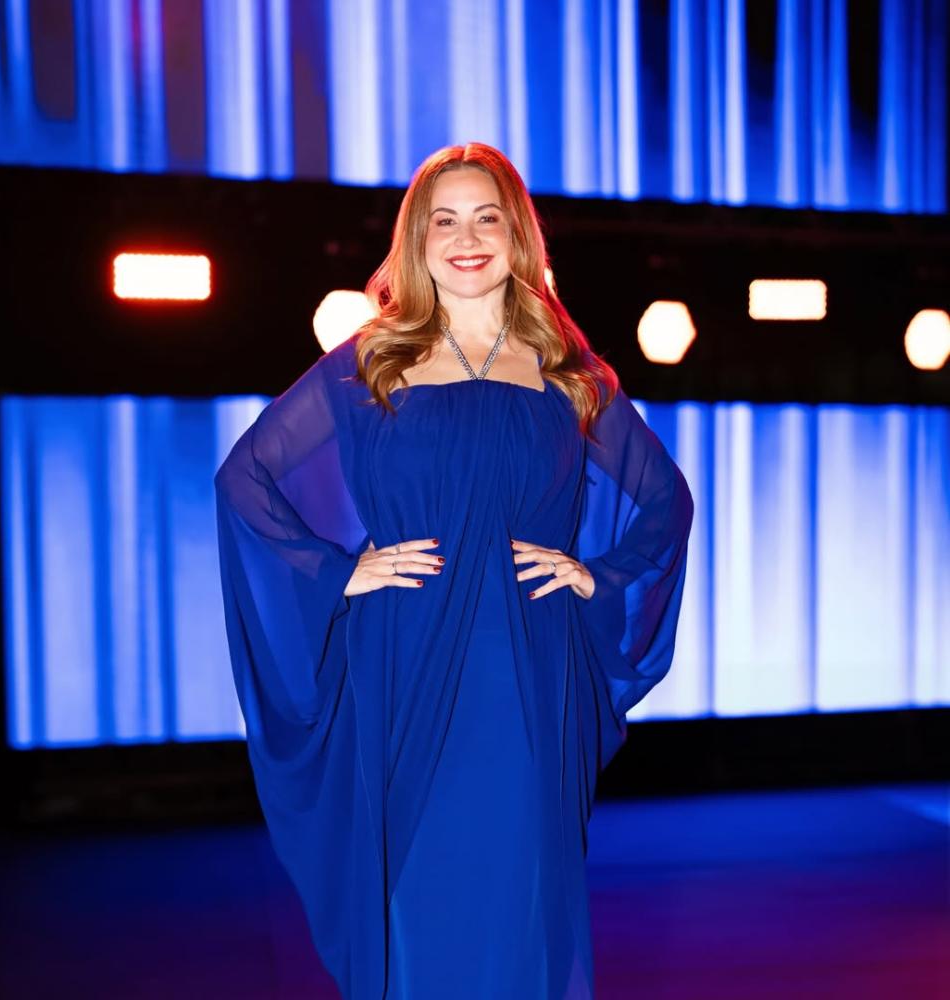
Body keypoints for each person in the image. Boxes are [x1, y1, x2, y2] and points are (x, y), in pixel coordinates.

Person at [214, 142, 694, 1000]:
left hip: (526, 666)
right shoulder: (372, 360)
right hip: (404, 658)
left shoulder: (568, 372)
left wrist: (599, 576)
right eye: (445, 220)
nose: (467, 238)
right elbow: (244, 478)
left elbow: (666, 500)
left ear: (518, 236)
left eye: (486, 217)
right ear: (418, 240)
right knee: (415, 900)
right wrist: (335, 572)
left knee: (521, 898)